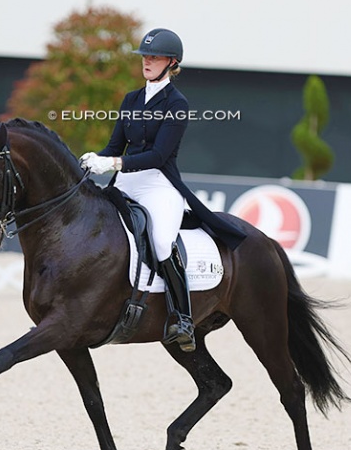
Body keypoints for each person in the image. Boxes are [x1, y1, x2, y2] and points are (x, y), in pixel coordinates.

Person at [79, 28, 247, 353]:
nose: (147, 61)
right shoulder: (131, 99)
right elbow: (116, 145)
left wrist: (113, 163)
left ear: (171, 62)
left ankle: (182, 317)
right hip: (127, 181)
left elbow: (158, 156)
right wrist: (95, 160)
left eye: (153, 57)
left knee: (160, 241)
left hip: (158, 184)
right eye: (145, 56)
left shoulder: (177, 104)